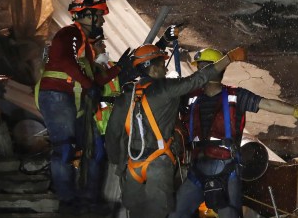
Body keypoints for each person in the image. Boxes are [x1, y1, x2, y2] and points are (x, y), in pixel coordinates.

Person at [170, 48, 298, 218]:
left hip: (225, 169)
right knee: (176, 214)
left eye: (204, 67)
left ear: (217, 69)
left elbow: (268, 104)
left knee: (229, 215)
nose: (200, 73)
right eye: (199, 68)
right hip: (196, 169)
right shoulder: (189, 96)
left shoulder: (236, 95)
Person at [104, 44, 248, 218]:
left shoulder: (127, 94)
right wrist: (228, 58)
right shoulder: (167, 88)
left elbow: (113, 132)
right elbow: (198, 79)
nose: (165, 68)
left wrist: (118, 165)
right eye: (161, 64)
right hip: (158, 164)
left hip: (132, 166)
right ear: (153, 68)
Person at [37, 0, 133, 214]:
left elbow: (94, 79)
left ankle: (82, 198)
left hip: (68, 98)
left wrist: (119, 69)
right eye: (98, 15)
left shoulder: (84, 47)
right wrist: (89, 86)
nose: (101, 20)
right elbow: (67, 63)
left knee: (82, 149)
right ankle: (66, 200)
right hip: (56, 95)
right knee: (64, 147)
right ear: (87, 15)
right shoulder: (70, 33)